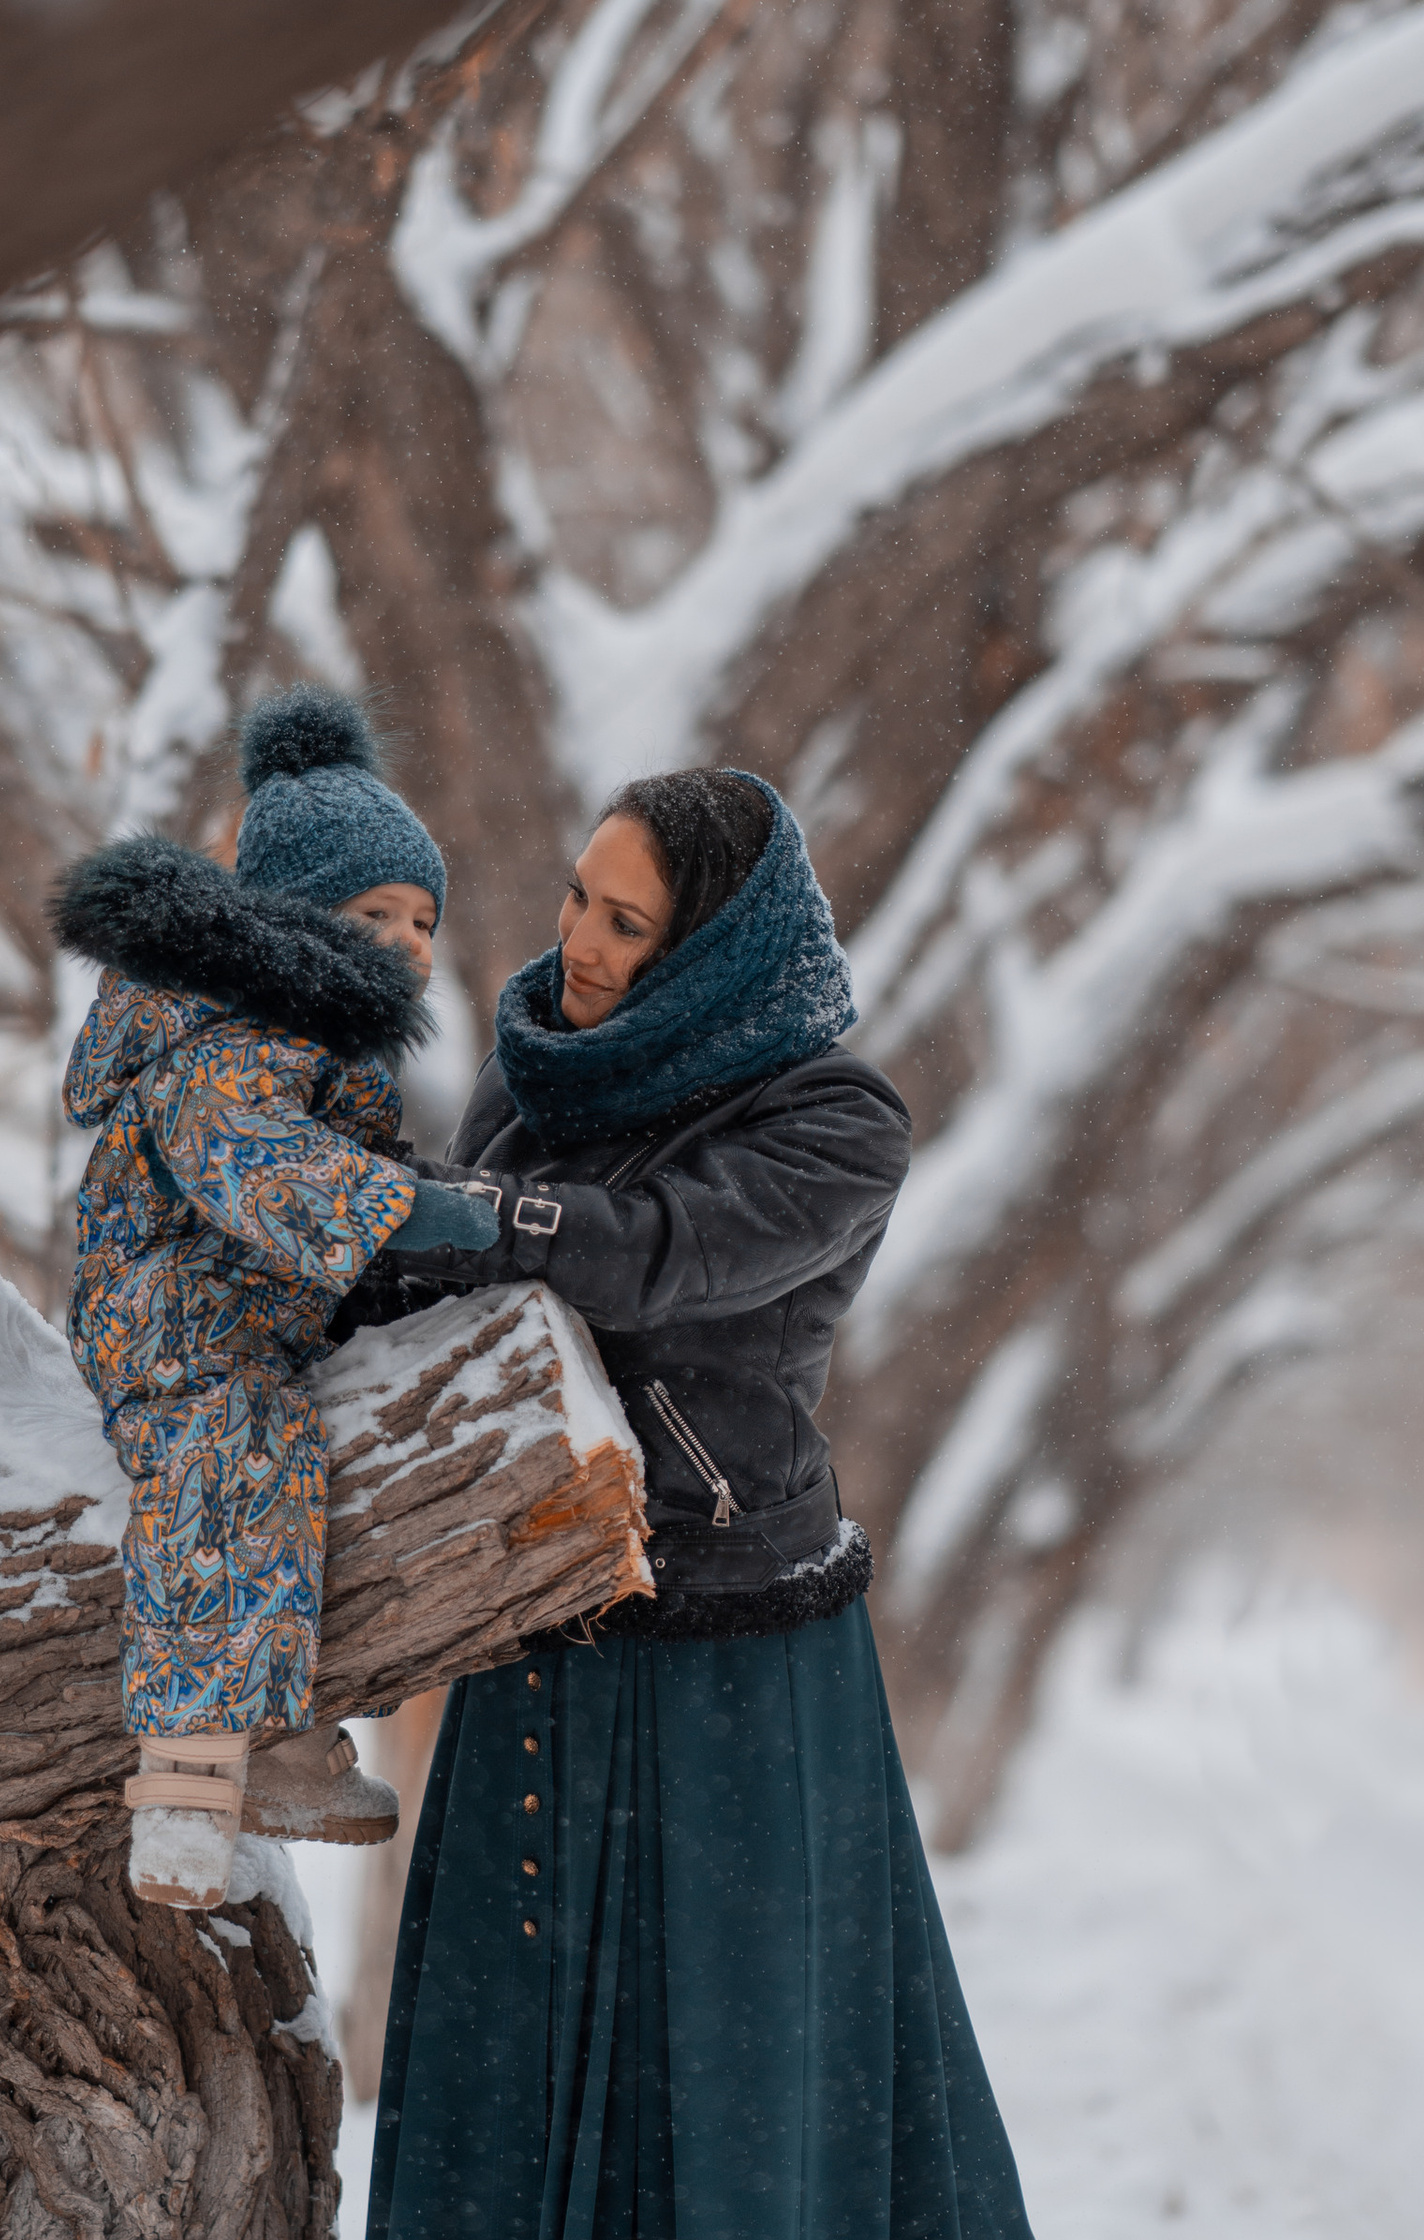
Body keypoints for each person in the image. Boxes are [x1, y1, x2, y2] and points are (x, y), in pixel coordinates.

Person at [363, 767, 1035, 2240]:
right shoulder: (535, 1067)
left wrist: (458, 1214)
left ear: (715, 949)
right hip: (535, 1618)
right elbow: (459, 1293)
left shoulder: (837, 1120)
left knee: (725, 2102)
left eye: (631, 925)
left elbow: (659, 1254)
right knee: (507, 2073)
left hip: (731, 1671)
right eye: (578, 901)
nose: (584, 948)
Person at [51, 686, 500, 1908]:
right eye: (373, 913)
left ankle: (286, 1734)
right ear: (295, 921)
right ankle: (188, 1789)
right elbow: (266, 1169)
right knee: (232, 1462)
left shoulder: (317, 1044)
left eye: (422, 917)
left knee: (313, 1469)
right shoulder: (224, 1045)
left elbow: (355, 1173)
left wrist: (444, 1212)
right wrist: (428, 1216)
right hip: (174, 1323)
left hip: (259, 1319)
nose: (408, 941)